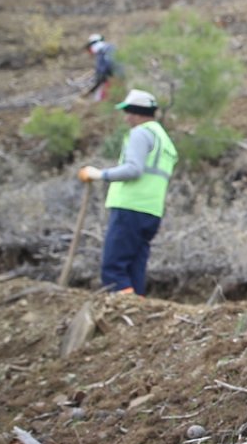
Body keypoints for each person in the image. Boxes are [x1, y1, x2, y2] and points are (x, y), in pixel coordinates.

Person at [77, 89, 179, 296]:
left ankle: (123, 312)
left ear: (136, 113)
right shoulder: (163, 139)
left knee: (113, 267)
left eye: (128, 112)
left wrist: (98, 174)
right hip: (151, 210)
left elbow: (133, 169)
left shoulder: (140, 133)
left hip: (130, 207)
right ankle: (137, 314)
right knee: (135, 267)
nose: (126, 118)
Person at [82, 34, 118, 101]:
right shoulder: (111, 48)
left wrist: (92, 90)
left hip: (113, 81)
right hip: (120, 79)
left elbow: (102, 74)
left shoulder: (102, 53)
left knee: (101, 98)